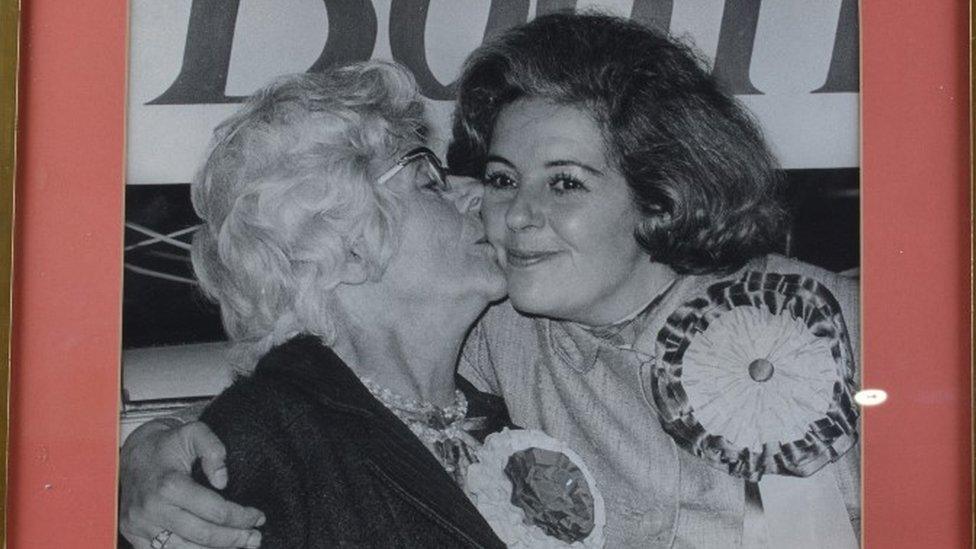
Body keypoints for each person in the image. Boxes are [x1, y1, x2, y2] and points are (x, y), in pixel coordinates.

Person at [120, 13, 860, 548]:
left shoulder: (811, 315)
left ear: (658, 190)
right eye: (488, 179)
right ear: (344, 244)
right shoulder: (495, 338)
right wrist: (141, 455)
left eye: (565, 183)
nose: (500, 208)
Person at [120, 61, 511, 549]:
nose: (473, 194)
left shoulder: (498, 414)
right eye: (430, 181)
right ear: (347, 248)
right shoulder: (254, 449)